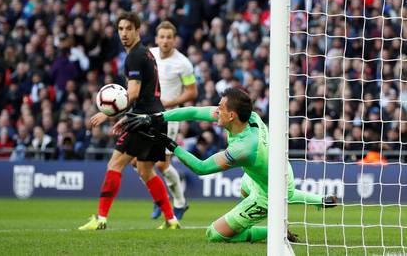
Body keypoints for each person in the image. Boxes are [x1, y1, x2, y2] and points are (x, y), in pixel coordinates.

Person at [121, 88, 337, 243]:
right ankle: (314, 202)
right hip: (273, 170)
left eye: (220, 107)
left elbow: (202, 168)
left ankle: (274, 231)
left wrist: (170, 144)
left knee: (214, 234)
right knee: (247, 188)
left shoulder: (243, 148)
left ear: (231, 115)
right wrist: (153, 118)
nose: (216, 110)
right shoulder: (246, 117)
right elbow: (193, 112)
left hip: (269, 189)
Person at [79, 12, 179, 230]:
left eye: (128, 29)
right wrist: (127, 116)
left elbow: (132, 93)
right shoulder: (145, 54)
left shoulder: (135, 56)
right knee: (145, 170)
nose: (124, 33)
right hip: (157, 118)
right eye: (120, 29)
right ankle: (171, 219)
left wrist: (109, 113)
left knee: (115, 164)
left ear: (137, 30)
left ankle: (101, 218)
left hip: (144, 120)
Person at [148, 21, 198, 220]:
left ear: (174, 39)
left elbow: (192, 92)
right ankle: (161, 197)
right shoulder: (149, 56)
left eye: (169, 37)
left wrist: (171, 102)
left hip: (170, 117)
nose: (165, 40)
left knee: (161, 165)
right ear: (156, 39)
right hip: (149, 115)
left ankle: (179, 202)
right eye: (162, 37)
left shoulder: (183, 63)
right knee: (137, 162)